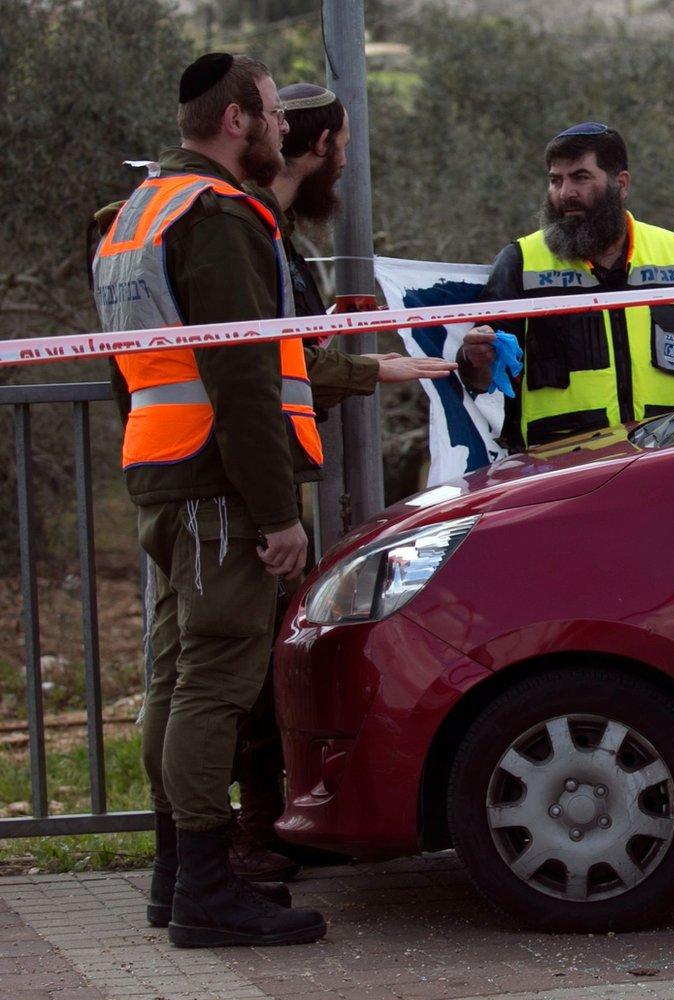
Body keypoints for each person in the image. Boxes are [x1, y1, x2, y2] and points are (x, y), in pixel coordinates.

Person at [90, 52, 329, 947]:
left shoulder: (134, 216)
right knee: (213, 686)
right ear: (236, 121)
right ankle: (201, 888)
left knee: (172, 681)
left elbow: (131, 370)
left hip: (161, 472)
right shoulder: (219, 214)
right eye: (270, 113)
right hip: (219, 487)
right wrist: (277, 514)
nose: (279, 128)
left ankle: (173, 878)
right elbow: (243, 376)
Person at [211, 82, 455, 882]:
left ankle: (259, 826)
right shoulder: (250, 233)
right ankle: (229, 846)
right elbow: (268, 362)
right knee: (233, 670)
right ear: (318, 149)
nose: (345, 166)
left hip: (264, 473)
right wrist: (372, 366)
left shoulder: (275, 235)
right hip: (243, 481)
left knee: (258, 662)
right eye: (343, 147)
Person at [455, 122, 674, 450]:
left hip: (668, 460)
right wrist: (475, 354)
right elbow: (479, 374)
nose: (565, 193)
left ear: (620, 184)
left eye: (580, 177)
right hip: (560, 474)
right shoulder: (520, 260)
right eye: (555, 180)